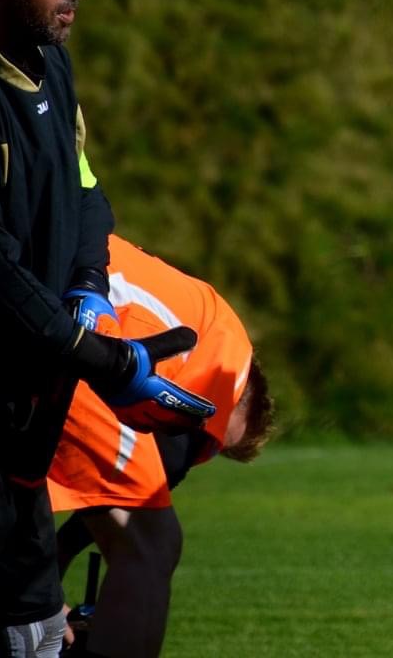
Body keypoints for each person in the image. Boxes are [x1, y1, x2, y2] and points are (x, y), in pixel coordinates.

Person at [0, 0, 211, 658]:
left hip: (24, 404)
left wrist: (86, 286)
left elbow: (86, 192)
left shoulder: (51, 66)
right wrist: (103, 360)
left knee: (32, 629)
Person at [49, 234, 275, 658]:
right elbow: (162, 468)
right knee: (151, 543)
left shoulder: (204, 313)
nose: (197, 451)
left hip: (43, 290)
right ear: (245, 391)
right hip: (81, 327)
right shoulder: (227, 359)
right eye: (210, 443)